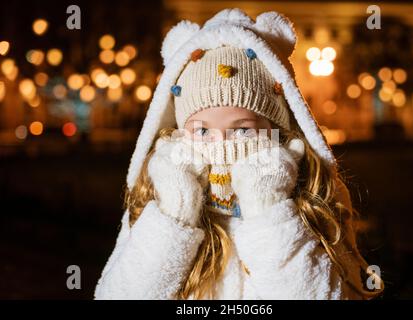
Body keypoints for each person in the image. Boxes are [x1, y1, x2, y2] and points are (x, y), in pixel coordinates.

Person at [94, 8, 383, 300]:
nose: (220, 145)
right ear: (181, 134)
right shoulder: (156, 200)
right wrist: (174, 216)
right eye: (202, 131)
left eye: (242, 130)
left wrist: (269, 212)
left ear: (276, 132)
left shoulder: (311, 200)